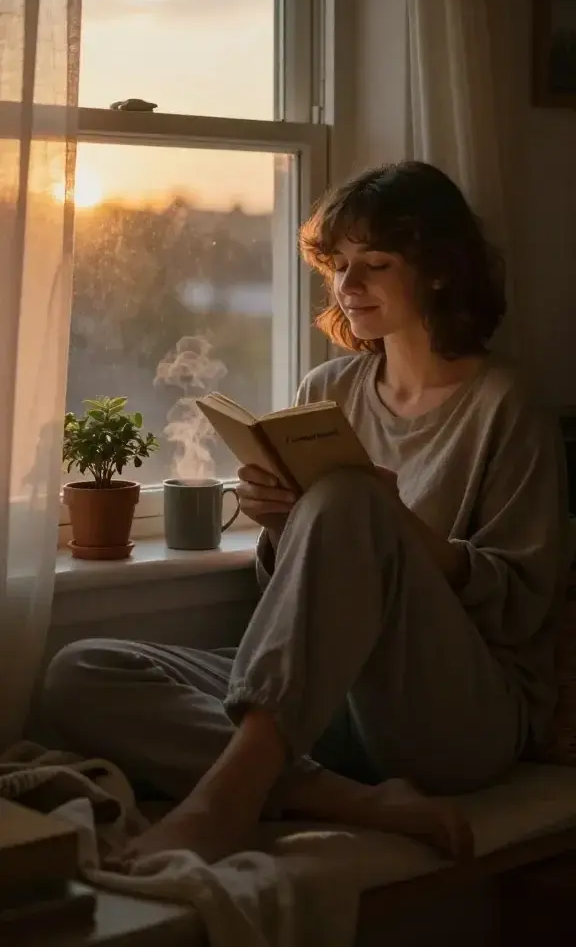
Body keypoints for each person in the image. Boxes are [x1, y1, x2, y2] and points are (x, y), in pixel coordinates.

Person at [43, 161, 569, 867]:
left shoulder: (507, 405)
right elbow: (297, 605)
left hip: (458, 714)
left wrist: (392, 525)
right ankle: (343, 797)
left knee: (351, 496)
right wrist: (279, 523)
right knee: (81, 672)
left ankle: (226, 798)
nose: (347, 287)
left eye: (375, 265)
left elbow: (518, 608)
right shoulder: (330, 388)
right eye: (339, 265)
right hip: (327, 703)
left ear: (441, 272)